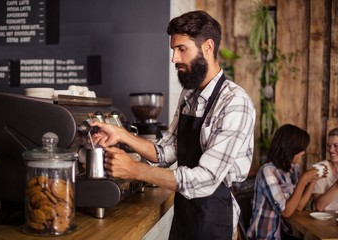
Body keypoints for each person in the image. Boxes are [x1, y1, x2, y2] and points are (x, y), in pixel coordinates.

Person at [91, 10, 256, 240]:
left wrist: (135, 169)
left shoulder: (234, 102)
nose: (174, 59)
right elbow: (166, 151)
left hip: (215, 221)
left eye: (181, 49)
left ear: (207, 47)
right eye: (173, 50)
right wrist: (121, 134)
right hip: (184, 218)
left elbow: (207, 179)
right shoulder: (189, 95)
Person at [247, 124, 320, 240]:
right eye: (301, 148)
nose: (304, 152)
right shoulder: (268, 171)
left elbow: (299, 206)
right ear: (290, 148)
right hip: (266, 236)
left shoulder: (293, 168)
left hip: (284, 233)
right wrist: (303, 180)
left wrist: (313, 180)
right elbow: (286, 212)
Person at [312, 127, 338, 211]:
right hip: (325, 222)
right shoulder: (320, 168)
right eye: (329, 146)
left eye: (336, 146)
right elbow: (319, 207)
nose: (331, 150)